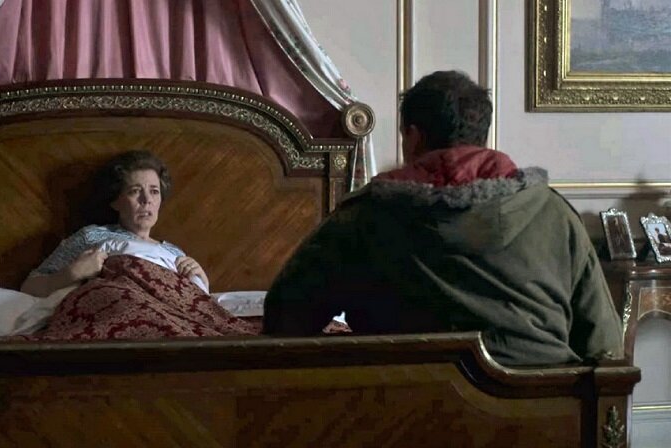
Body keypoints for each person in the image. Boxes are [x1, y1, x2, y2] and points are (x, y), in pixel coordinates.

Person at [262, 70, 623, 367]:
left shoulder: (363, 217)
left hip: (402, 415)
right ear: (482, 137)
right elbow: (604, 345)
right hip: (543, 414)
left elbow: (286, 320)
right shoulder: (553, 212)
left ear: (413, 136)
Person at [21, 150, 209, 298]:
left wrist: (202, 281)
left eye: (154, 191)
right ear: (115, 201)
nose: (147, 200)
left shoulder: (174, 253)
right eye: (135, 191)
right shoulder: (92, 236)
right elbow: (29, 287)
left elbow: (194, 303)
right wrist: (72, 273)